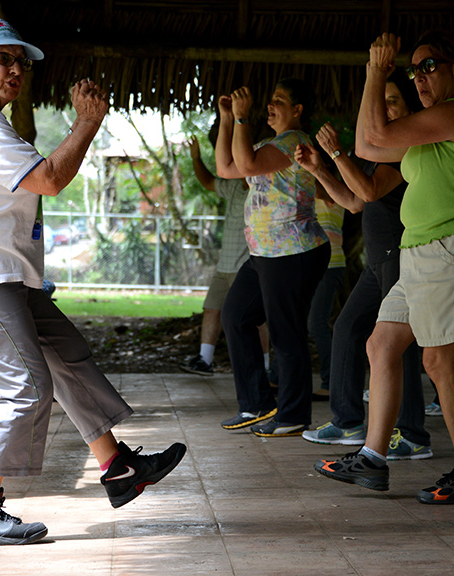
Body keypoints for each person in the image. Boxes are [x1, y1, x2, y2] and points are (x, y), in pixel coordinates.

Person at [0, 18, 186, 546]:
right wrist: (87, 123)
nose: (16, 69)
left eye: (21, 60)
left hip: (5, 272)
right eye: (2, 58)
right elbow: (49, 178)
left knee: (66, 354)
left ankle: (117, 466)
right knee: (26, 386)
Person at [315, 30, 454, 502]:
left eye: (429, 66)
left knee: (440, 361)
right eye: (413, 69)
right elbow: (369, 146)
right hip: (417, 252)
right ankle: (373, 459)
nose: (419, 76)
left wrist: (378, 70)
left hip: (452, 248)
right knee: (381, 344)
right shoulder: (424, 131)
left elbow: (371, 138)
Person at [295, 71, 433, 460]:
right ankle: (348, 421)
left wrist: (337, 154)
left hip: (401, 258)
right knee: (347, 328)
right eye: (382, 100)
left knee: (398, 348)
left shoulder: (407, 147)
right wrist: (319, 168)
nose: (386, 108)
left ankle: (413, 435)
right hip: (378, 262)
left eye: (393, 101)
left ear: (409, 108)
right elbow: (354, 201)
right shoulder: (376, 151)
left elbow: (370, 190)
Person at [216, 78, 330, 437]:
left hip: (294, 252)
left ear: (297, 110)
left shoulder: (295, 141)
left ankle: (294, 414)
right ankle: (256, 403)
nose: (271, 104)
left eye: (279, 100)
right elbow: (226, 167)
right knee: (235, 315)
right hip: (265, 253)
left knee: (285, 332)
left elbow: (247, 165)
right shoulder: (270, 144)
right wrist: (226, 120)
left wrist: (242, 118)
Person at [180, 134, 273, 376]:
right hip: (225, 266)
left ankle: (263, 366)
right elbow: (208, 181)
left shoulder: (266, 186)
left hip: (249, 265)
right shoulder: (232, 185)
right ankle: (205, 360)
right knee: (212, 308)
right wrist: (196, 158)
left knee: (256, 317)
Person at [307, 195, 346, 401]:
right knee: (297, 321)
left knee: (316, 324)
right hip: (310, 266)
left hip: (330, 266)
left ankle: (331, 383)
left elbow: (327, 196)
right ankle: (277, 377)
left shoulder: (331, 191)